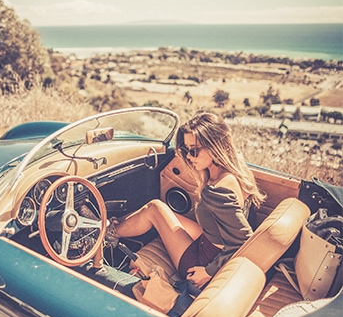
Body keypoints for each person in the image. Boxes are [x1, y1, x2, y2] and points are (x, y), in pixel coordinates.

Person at [107, 112, 264, 289]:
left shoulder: (219, 189)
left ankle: (107, 235)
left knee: (155, 208)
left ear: (214, 146)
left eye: (194, 150)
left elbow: (243, 240)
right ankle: (111, 225)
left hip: (201, 262)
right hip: (211, 241)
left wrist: (209, 271)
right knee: (160, 210)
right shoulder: (237, 172)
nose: (189, 156)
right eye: (187, 150)